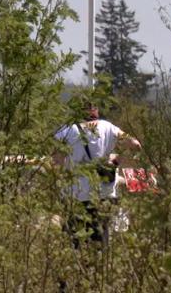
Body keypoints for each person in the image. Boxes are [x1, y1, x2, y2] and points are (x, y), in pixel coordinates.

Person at [53, 102, 141, 246]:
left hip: (76, 193)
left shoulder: (67, 130)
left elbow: (57, 162)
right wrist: (116, 161)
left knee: (75, 241)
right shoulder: (108, 127)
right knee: (101, 237)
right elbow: (136, 145)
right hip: (104, 192)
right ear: (96, 110)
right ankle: (100, 266)